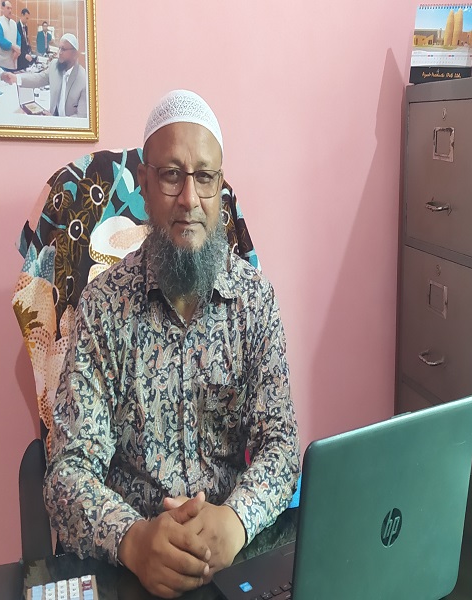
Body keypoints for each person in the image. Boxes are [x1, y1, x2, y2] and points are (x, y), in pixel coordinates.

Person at [43, 89, 300, 599]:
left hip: (229, 558)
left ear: (220, 187)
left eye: (205, 177)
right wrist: (133, 540)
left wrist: (236, 521)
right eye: (171, 175)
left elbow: (282, 444)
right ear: (143, 184)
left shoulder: (254, 301)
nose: (189, 198)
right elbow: (68, 472)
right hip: (131, 567)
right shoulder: (102, 308)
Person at [1, 33, 87, 117]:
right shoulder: (55, 65)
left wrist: (55, 121)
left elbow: (81, 116)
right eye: (59, 48)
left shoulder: (83, 79)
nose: (59, 52)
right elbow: (39, 78)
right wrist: (16, 78)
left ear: (74, 54)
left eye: (63, 49)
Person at [0, 0, 20, 71]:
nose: (10, 10)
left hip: (13, 62)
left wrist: (18, 49)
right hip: (2, 63)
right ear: (3, 8)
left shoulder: (14, 23)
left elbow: (19, 37)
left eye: (11, 8)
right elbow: (0, 39)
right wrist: (13, 47)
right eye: (8, 8)